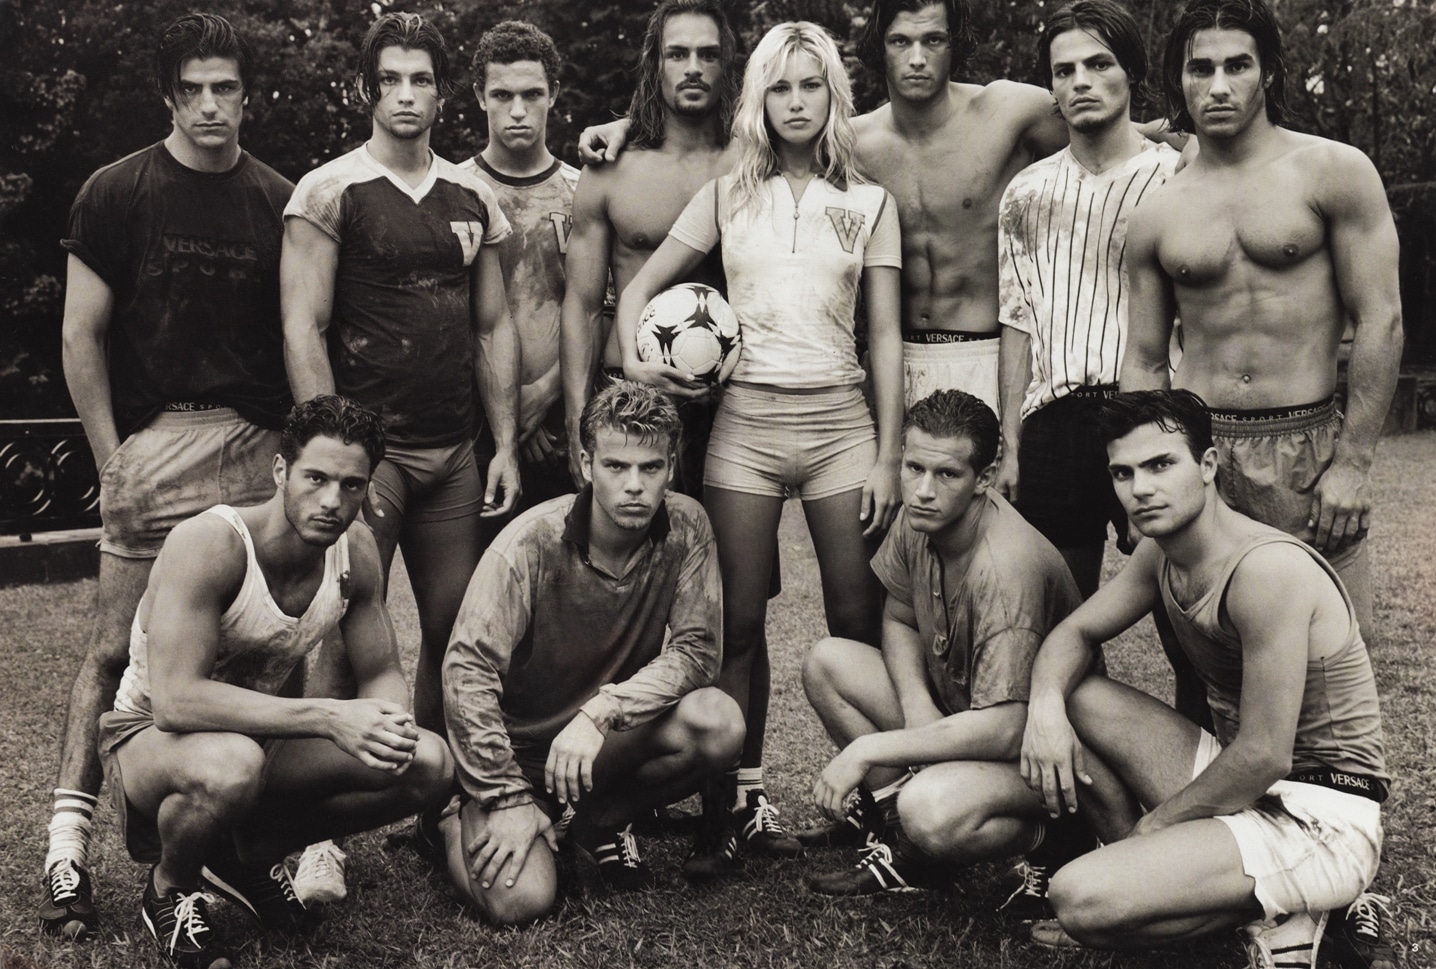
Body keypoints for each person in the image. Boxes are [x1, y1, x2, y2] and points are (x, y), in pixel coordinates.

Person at [1120, 3, 1403, 962]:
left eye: (1237, 65)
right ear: (1178, 80)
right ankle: (1219, 864)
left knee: (1329, 667)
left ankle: (1349, 885)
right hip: (1201, 449)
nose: (1218, 85)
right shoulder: (1160, 207)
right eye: (1199, 68)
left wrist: (1353, 460)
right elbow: (1143, 354)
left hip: (1306, 442)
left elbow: (1381, 317)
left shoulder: (1333, 172)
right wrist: (1142, 466)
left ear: (1269, 72)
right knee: (1202, 660)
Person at [580, 1, 1183, 413]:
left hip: (988, 352)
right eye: (901, 41)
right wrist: (630, 125)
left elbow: (1106, 119)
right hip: (893, 359)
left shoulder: (1009, 111)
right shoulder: (849, 143)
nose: (917, 57)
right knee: (897, 540)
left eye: (933, 40)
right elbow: (739, 136)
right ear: (880, 49)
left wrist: (1196, 142)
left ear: (954, 44)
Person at [616, 20, 905, 870]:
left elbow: (886, 337)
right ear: (758, 99)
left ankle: (879, 808)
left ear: (833, 95)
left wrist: (889, 454)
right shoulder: (725, 196)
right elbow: (639, 289)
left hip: (842, 427)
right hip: (745, 428)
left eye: (810, 85)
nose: (795, 102)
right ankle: (731, 808)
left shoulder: (871, 203)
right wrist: (640, 362)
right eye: (779, 86)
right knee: (735, 624)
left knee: (856, 622)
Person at [47, 13, 294, 940]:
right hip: (156, 441)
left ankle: (238, 847)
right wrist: (112, 456)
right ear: (167, 96)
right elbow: (80, 334)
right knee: (114, 652)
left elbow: (301, 327)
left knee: (253, 656)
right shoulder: (116, 191)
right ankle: (66, 850)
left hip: (255, 445)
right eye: (191, 89)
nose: (209, 105)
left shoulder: (281, 199)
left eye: (224, 87)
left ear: (248, 95)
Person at [1020, 390, 1389, 969]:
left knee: (1077, 899)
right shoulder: (1159, 554)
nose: (1140, 488)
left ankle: (1297, 910)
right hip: (1250, 789)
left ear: (1208, 465)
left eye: (1160, 465)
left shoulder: (1265, 568)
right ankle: (1246, 905)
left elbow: (1266, 753)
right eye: (1123, 473)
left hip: (1323, 813)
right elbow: (1074, 633)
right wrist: (1044, 707)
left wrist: (1155, 829)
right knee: (1078, 696)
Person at [96, 395, 453, 968]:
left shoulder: (356, 551)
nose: (332, 501)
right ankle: (169, 888)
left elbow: (381, 670)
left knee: (427, 763)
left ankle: (251, 851)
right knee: (232, 766)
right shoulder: (210, 543)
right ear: (282, 471)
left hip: (260, 736)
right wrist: (329, 717)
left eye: (352, 485)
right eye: (316, 478)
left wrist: (387, 725)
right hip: (149, 740)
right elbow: (175, 701)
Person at [282, 12, 522, 742]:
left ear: (444, 92)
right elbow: (302, 326)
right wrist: (331, 455)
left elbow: (493, 326)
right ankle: (321, 807)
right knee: (346, 622)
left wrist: (505, 445)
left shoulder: (473, 195)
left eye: (421, 80)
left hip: (452, 452)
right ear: (367, 90)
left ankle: (429, 787)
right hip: (369, 457)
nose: (407, 94)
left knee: (456, 632)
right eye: (391, 80)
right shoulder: (329, 189)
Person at [438, 381, 744, 923]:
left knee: (718, 722)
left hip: (600, 745)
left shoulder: (688, 525)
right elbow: (467, 672)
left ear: (672, 467)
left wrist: (603, 709)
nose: (635, 485)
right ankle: (445, 821)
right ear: (585, 464)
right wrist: (506, 796)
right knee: (521, 900)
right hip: (518, 755)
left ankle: (592, 822)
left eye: (651, 467)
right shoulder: (530, 542)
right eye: (616, 466)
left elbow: (698, 651)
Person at [801, 390, 1100, 907]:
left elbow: (1008, 729)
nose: (923, 490)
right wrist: (916, 705)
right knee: (828, 663)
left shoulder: (1006, 569)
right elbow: (898, 616)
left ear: (984, 478)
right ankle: (907, 848)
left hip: (1046, 758)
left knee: (930, 808)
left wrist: (871, 748)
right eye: (914, 467)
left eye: (947, 474)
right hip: (966, 714)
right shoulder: (923, 514)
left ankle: (1059, 839)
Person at [995, 0, 1179, 599]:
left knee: (1182, 609)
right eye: (1064, 70)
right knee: (1058, 614)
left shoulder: (1177, 178)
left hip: (1156, 412)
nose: (1081, 82)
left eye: (1099, 65)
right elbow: (1017, 320)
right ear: (1051, 86)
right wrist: (1012, 446)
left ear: (1131, 72)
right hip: (1055, 421)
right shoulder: (1026, 192)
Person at [559, 0, 737, 494]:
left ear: (727, 65)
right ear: (654, 64)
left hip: (732, 399)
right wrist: (577, 422)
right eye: (677, 54)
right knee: (631, 542)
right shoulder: (612, 169)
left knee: (729, 546)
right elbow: (581, 305)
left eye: (708, 54)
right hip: (630, 393)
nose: (693, 68)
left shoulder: (755, 164)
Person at [462, 20, 578, 518]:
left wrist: (545, 394)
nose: (517, 110)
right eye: (501, 94)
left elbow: (600, 308)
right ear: (479, 96)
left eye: (531, 94)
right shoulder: (455, 192)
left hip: (566, 424)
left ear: (554, 94)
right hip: (475, 432)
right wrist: (505, 415)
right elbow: (454, 317)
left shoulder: (582, 193)